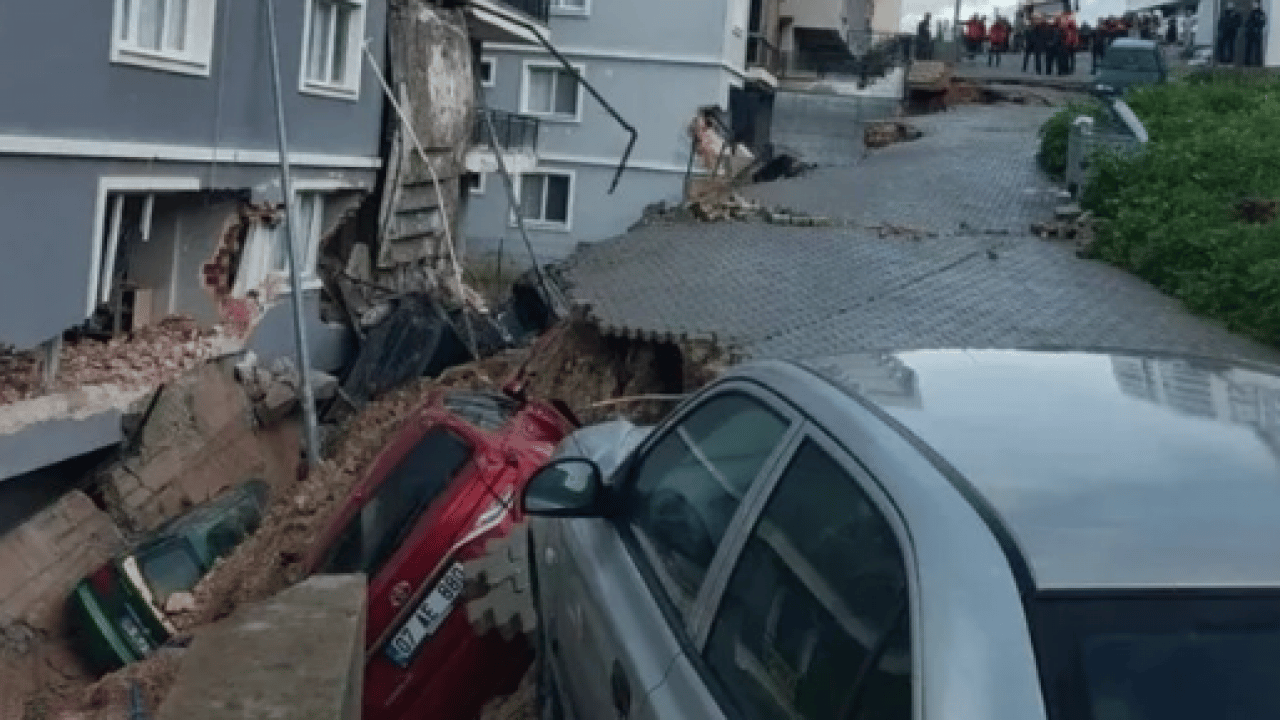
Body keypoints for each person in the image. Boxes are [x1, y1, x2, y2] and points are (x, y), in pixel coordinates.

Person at [1245, 0, 1267, 65]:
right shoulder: (1251, 13)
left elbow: (1262, 22)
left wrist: (1256, 28)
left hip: (1257, 33)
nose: (1253, 5)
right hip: (1250, 33)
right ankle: (1247, 61)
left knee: (1257, 48)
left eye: (1255, 4)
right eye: (1253, 4)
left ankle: (1258, 62)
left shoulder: (1261, 13)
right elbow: (1248, 23)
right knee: (1249, 47)